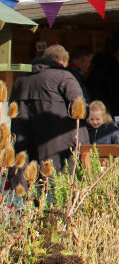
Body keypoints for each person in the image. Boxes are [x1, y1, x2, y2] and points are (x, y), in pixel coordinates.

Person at [10, 44, 87, 172]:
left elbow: (12, 108)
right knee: (55, 183)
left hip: (25, 142)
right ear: (62, 62)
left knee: (30, 182)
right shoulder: (64, 76)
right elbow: (79, 106)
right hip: (58, 143)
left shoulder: (21, 79)